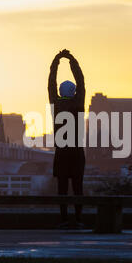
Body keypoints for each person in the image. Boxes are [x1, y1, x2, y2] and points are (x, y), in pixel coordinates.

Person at [48, 49, 86, 229]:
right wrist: (72, 60)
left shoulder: (56, 104)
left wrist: (56, 61)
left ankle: (63, 219)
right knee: (78, 188)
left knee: (62, 189)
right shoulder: (78, 103)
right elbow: (81, 81)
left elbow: (50, 84)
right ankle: (78, 219)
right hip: (77, 152)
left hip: (61, 152)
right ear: (74, 91)